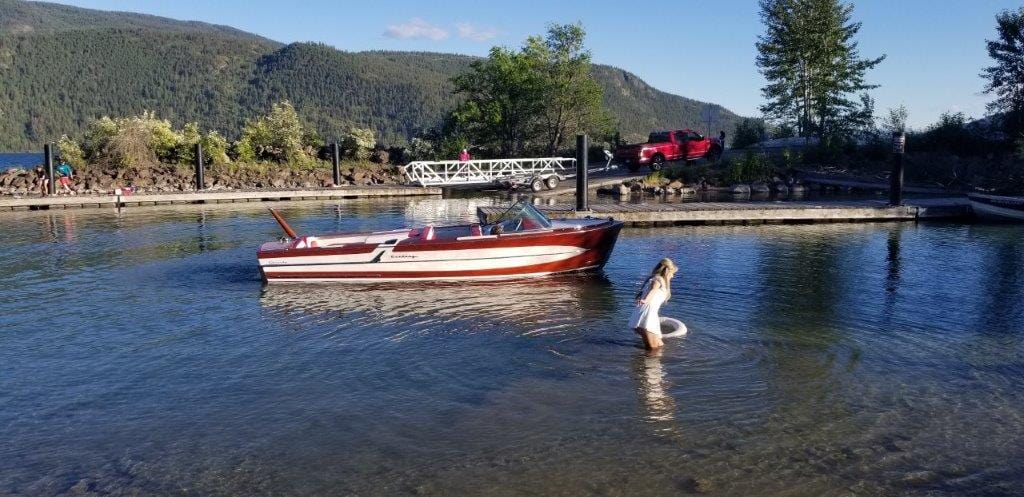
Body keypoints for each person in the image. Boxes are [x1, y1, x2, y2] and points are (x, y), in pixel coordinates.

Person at [629, 258, 678, 350]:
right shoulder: (658, 279)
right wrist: (645, 300)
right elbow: (653, 290)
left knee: (659, 345)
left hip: (647, 312)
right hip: (648, 314)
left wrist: (642, 299)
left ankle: (643, 362)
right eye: (672, 273)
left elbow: (648, 291)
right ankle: (645, 363)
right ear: (667, 271)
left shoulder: (654, 278)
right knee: (653, 350)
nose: (672, 276)